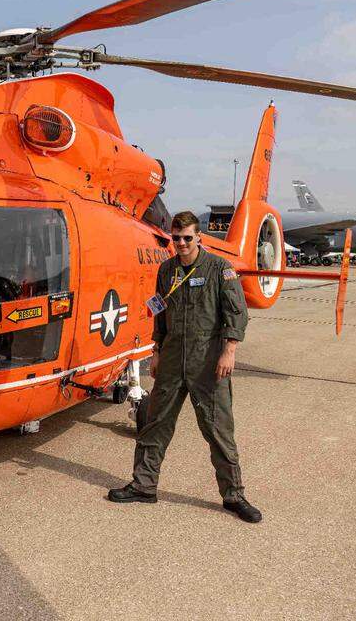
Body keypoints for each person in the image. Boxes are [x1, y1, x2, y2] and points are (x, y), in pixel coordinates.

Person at [108, 211, 261, 523]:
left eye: (187, 238)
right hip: (172, 358)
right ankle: (144, 485)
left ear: (198, 238)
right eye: (176, 238)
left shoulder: (219, 269)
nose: (181, 243)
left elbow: (237, 312)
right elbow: (160, 312)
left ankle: (233, 495)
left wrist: (229, 351)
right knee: (155, 424)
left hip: (208, 362)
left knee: (218, 430)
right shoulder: (167, 270)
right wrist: (156, 351)